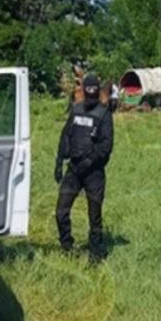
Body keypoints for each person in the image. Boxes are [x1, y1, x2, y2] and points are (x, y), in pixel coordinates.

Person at [55, 73, 114, 263]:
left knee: (94, 215)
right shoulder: (77, 109)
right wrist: (58, 161)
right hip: (73, 169)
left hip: (94, 172)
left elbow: (106, 145)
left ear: (97, 91)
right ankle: (66, 246)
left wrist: (91, 160)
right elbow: (66, 135)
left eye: (93, 90)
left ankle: (96, 254)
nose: (90, 94)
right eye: (87, 90)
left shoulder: (104, 113)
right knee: (61, 211)